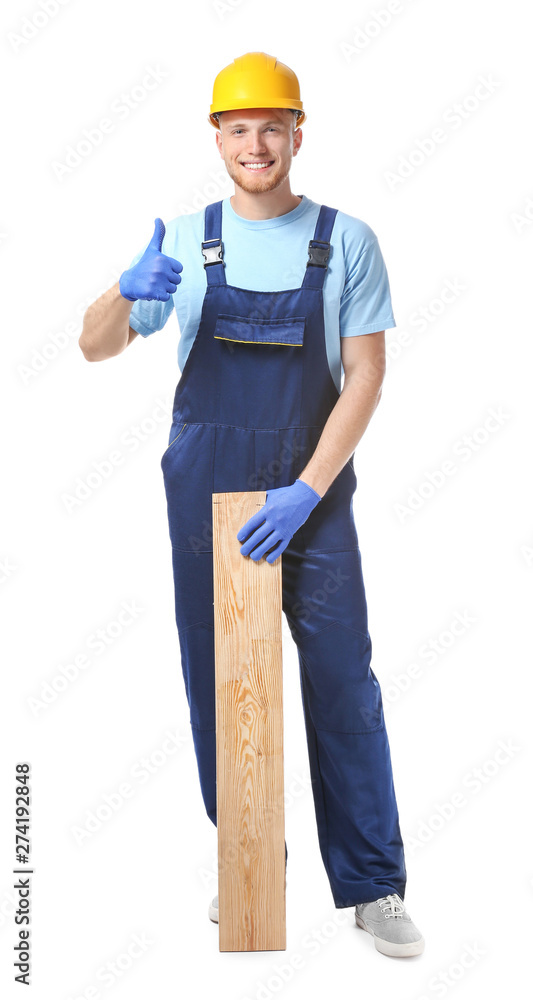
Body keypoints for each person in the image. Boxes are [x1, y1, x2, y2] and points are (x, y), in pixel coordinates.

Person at [79, 51, 424, 959]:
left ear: (297, 132)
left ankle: (372, 884)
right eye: (240, 128)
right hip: (206, 487)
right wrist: (122, 291)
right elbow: (92, 348)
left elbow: (367, 375)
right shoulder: (185, 243)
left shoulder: (346, 238)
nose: (257, 143)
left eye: (273, 126)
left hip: (310, 488)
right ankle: (246, 848)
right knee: (218, 680)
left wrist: (308, 489)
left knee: (344, 680)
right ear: (218, 138)